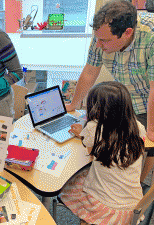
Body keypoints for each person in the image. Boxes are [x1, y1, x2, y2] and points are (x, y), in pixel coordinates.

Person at [65, 0, 154, 184]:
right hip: (125, 98)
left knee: (141, 147)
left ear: (127, 33)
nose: (98, 44)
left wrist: (151, 130)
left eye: (104, 41)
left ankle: (136, 190)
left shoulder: (150, 37)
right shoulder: (102, 35)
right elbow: (90, 72)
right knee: (105, 139)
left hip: (149, 99)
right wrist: (74, 104)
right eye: (97, 38)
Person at [60, 81, 146, 225]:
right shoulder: (137, 127)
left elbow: (90, 151)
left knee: (66, 183)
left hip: (106, 210)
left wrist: (83, 134)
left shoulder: (95, 128)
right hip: (133, 207)